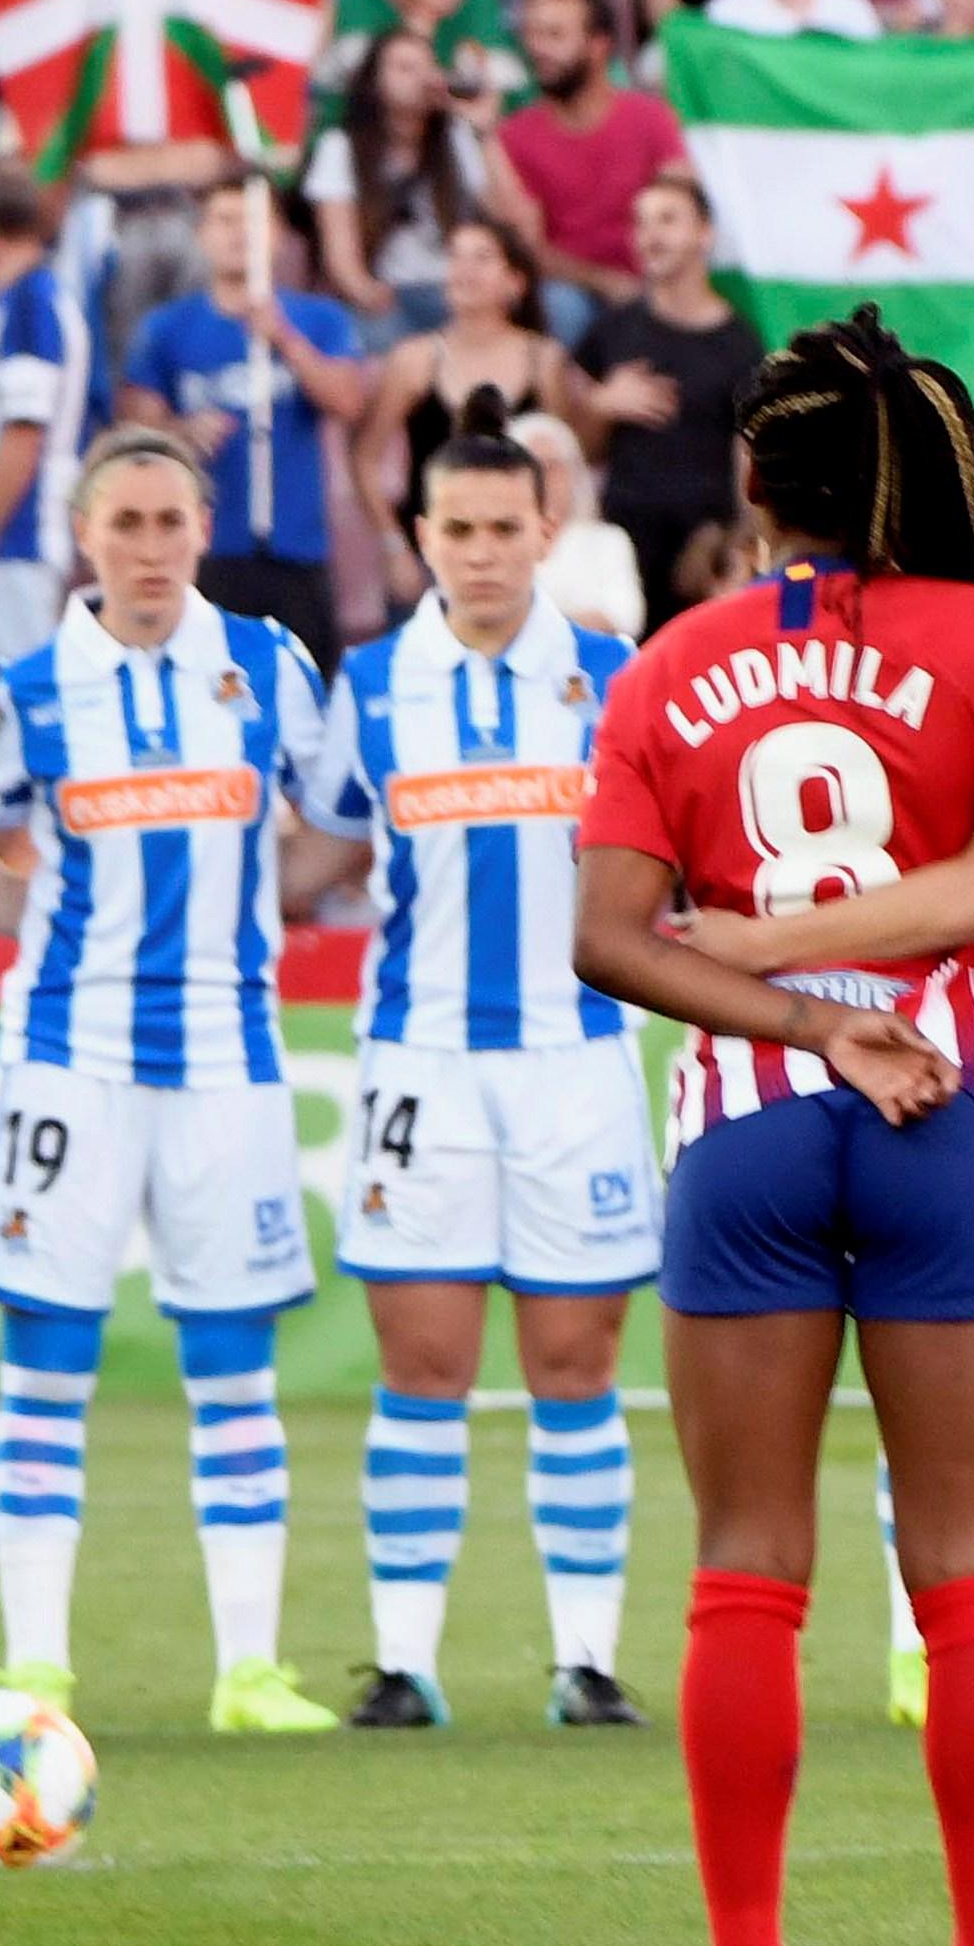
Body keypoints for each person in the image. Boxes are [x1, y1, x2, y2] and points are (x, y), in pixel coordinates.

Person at [567, 311, 974, 1946]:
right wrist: (875, 1012)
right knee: (967, 1566)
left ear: (750, 482)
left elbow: (607, 940)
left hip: (750, 1114)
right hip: (943, 1110)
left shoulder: (669, 659)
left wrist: (800, 1013)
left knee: (747, 1562)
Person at [0, 425, 351, 1738]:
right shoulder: (30, 689)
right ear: (84, 537)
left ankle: (249, 1672)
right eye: (124, 523)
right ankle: (36, 1665)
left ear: (201, 527)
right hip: (69, 1061)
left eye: (171, 522)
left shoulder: (267, 665)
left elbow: (337, 821)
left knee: (231, 1358)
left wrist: (259, 922)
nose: (150, 548)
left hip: (227, 1060)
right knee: (47, 1355)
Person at [295, 429, 665, 1731]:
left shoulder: (619, 678)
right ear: (421, 537)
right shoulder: (374, 685)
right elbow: (317, 855)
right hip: (421, 1066)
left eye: (505, 528)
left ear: (545, 526)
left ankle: (586, 1660)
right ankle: (405, 1662)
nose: (483, 552)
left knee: (574, 1361)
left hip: (578, 1060)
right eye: (458, 530)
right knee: (426, 1362)